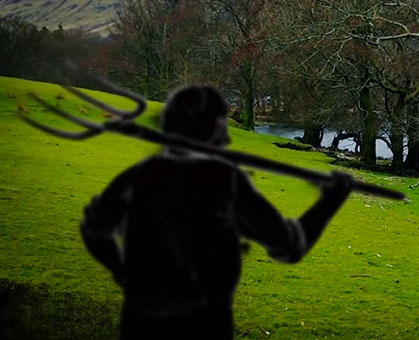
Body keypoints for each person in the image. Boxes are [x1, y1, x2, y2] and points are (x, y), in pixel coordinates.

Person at [79, 85, 353, 339]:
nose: (226, 134)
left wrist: (120, 271)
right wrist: (329, 202)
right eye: (221, 122)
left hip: (141, 320)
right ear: (210, 127)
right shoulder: (225, 181)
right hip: (204, 323)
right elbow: (289, 245)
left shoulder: (137, 176)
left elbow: (94, 230)